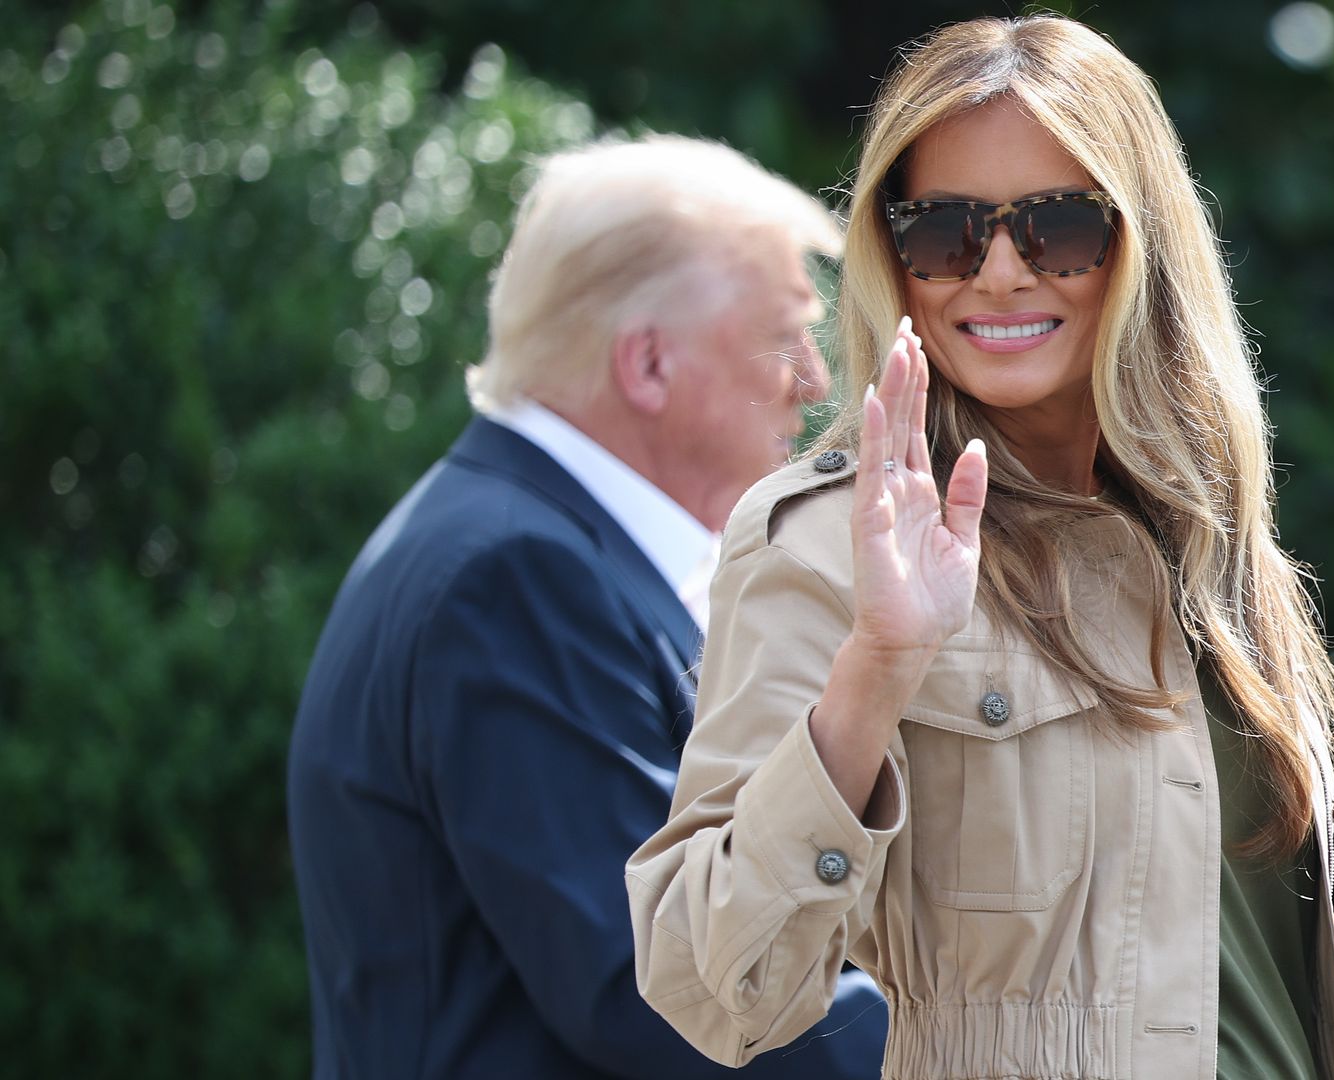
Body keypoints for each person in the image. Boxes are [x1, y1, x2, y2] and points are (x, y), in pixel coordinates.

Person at [627, 17, 1334, 1080]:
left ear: (1140, 246)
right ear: (894, 259)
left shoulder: (1211, 542)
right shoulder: (838, 542)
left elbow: (1175, 1000)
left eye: (1058, 228)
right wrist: (879, 665)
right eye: (944, 232)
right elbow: (713, 988)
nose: (997, 272)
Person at [287, 134, 888, 1079]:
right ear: (647, 365)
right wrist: (976, 1047)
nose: (814, 383)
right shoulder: (514, 581)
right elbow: (670, 992)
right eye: (782, 338)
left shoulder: (513, 550)